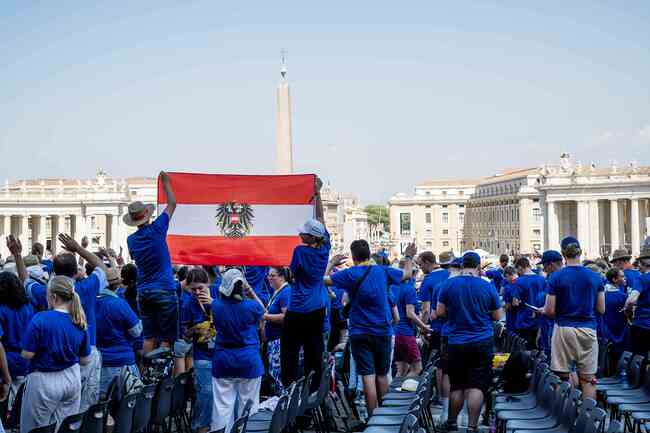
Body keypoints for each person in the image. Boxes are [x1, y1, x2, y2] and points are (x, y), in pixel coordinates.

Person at [325, 240, 416, 416]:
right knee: (382, 375)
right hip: (382, 331)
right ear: (368, 254)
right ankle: (385, 416)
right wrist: (409, 256)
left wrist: (331, 264)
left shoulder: (349, 274)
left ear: (353, 256)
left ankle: (372, 418)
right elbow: (406, 274)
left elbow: (323, 281)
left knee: (367, 375)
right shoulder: (383, 271)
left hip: (359, 332)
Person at [436, 251, 502, 433]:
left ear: (462, 265)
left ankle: (452, 422)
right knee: (477, 385)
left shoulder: (449, 285)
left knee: (457, 385)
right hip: (482, 340)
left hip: (456, 341)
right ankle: (472, 426)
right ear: (479, 267)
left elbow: (439, 312)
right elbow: (497, 315)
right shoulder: (487, 286)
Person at [20, 276, 91, 433]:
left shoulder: (41, 318)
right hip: (71, 378)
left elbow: (27, 354)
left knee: (35, 429)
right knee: (64, 428)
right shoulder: (80, 320)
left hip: (44, 381)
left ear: (53, 297)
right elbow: (85, 360)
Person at [281, 176, 329, 389]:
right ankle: (313, 390)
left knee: (289, 353)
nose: (300, 234)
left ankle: (290, 389)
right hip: (317, 307)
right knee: (314, 352)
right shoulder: (325, 247)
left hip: (298, 307)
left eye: (303, 233)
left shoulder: (299, 251)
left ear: (310, 237)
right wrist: (317, 194)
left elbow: (291, 276)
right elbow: (321, 218)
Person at [543, 237, 605, 400]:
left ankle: (564, 418)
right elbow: (601, 309)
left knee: (562, 378)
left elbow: (549, 310)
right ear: (581, 252)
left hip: (564, 328)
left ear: (563, 254)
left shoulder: (556, 277)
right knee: (588, 379)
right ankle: (589, 419)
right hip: (588, 329)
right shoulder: (595, 277)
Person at [125, 171, 177, 355]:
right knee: (166, 339)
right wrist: (166, 184)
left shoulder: (131, 240)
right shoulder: (157, 228)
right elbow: (172, 204)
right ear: (147, 215)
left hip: (143, 292)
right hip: (163, 288)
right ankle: (161, 375)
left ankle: (145, 374)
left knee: (149, 337)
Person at [55, 233, 109, 412]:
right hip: (88, 350)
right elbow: (102, 266)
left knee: (63, 409)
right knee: (87, 408)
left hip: (60, 353)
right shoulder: (88, 286)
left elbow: (26, 282)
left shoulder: (47, 292)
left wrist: (17, 257)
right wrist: (78, 248)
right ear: (76, 271)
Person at [209, 269, 266, 433]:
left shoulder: (216, 306)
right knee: (248, 408)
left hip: (223, 361)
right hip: (249, 362)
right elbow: (263, 312)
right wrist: (250, 291)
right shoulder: (251, 307)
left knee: (221, 408)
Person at [96, 268, 142, 398]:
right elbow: (136, 332)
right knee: (126, 408)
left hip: (100, 364)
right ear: (117, 285)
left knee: (101, 410)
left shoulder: (90, 303)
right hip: (122, 363)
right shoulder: (119, 304)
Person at [180, 268, 216, 433]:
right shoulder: (188, 304)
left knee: (220, 395)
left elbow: (230, 319)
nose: (196, 292)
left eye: (200, 288)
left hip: (221, 353)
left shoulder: (218, 295)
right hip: (202, 354)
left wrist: (212, 304)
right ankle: (201, 427)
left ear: (208, 283)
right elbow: (185, 335)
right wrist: (195, 330)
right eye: (193, 289)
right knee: (206, 392)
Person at [0, 270, 35, 406]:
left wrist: (6, 377)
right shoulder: (28, 307)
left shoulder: (2, 309)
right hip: (27, 361)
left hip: (6, 363)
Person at [392, 259, 431, 377]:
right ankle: (403, 393)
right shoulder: (409, 289)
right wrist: (424, 326)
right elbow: (410, 314)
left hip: (395, 332)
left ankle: (395, 393)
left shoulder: (393, 287)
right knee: (417, 368)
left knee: (401, 370)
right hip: (406, 333)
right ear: (411, 273)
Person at [263, 267, 291, 395]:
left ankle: (282, 406)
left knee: (278, 376)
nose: (269, 278)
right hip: (273, 341)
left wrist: (266, 317)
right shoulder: (278, 292)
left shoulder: (285, 293)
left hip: (280, 343)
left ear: (281, 277)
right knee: (274, 376)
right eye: (268, 275)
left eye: (272, 275)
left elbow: (287, 317)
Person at [512, 257, 547, 349]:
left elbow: (515, 303)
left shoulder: (519, 281)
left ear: (520, 267)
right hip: (540, 319)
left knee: (526, 352)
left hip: (524, 321)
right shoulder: (542, 279)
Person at [623, 246, 650, 357]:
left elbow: (631, 299)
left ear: (643, 264)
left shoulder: (641, 279)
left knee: (639, 358)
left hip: (642, 324)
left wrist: (627, 311)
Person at [603, 268, 629, 370]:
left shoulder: (601, 295)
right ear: (614, 279)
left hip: (605, 332)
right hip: (620, 332)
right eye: (622, 276)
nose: (625, 278)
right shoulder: (623, 297)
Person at [501, 266, 518, 332]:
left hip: (512, 320)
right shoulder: (523, 282)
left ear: (508, 275)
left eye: (506, 277)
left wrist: (502, 306)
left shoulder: (508, 288)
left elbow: (508, 307)